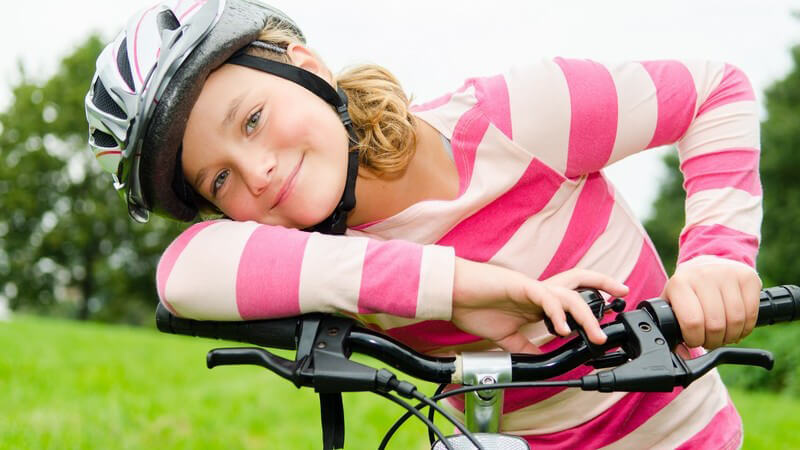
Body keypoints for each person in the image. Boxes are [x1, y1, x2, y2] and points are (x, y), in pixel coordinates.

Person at [85, 0, 762, 448]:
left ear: (305, 68)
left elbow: (713, 92)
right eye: (219, 180)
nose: (255, 172)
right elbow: (183, 273)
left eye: (252, 119)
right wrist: (466, 287)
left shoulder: (515, 119)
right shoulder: (311, 251)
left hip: (683, 436)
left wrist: (715, 254)